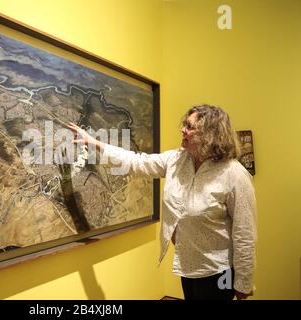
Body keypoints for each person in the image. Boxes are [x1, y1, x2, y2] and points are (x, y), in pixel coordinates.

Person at [68, 104, 257, 300]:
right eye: (184, 124)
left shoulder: (234, 175)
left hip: (219, 271)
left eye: (190, 127)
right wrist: (93, 143)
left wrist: (243, 282)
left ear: (210, 133)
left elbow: (245, 234)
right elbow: (135, 162)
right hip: (188, 267)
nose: (182, 130)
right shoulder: (176, 160)